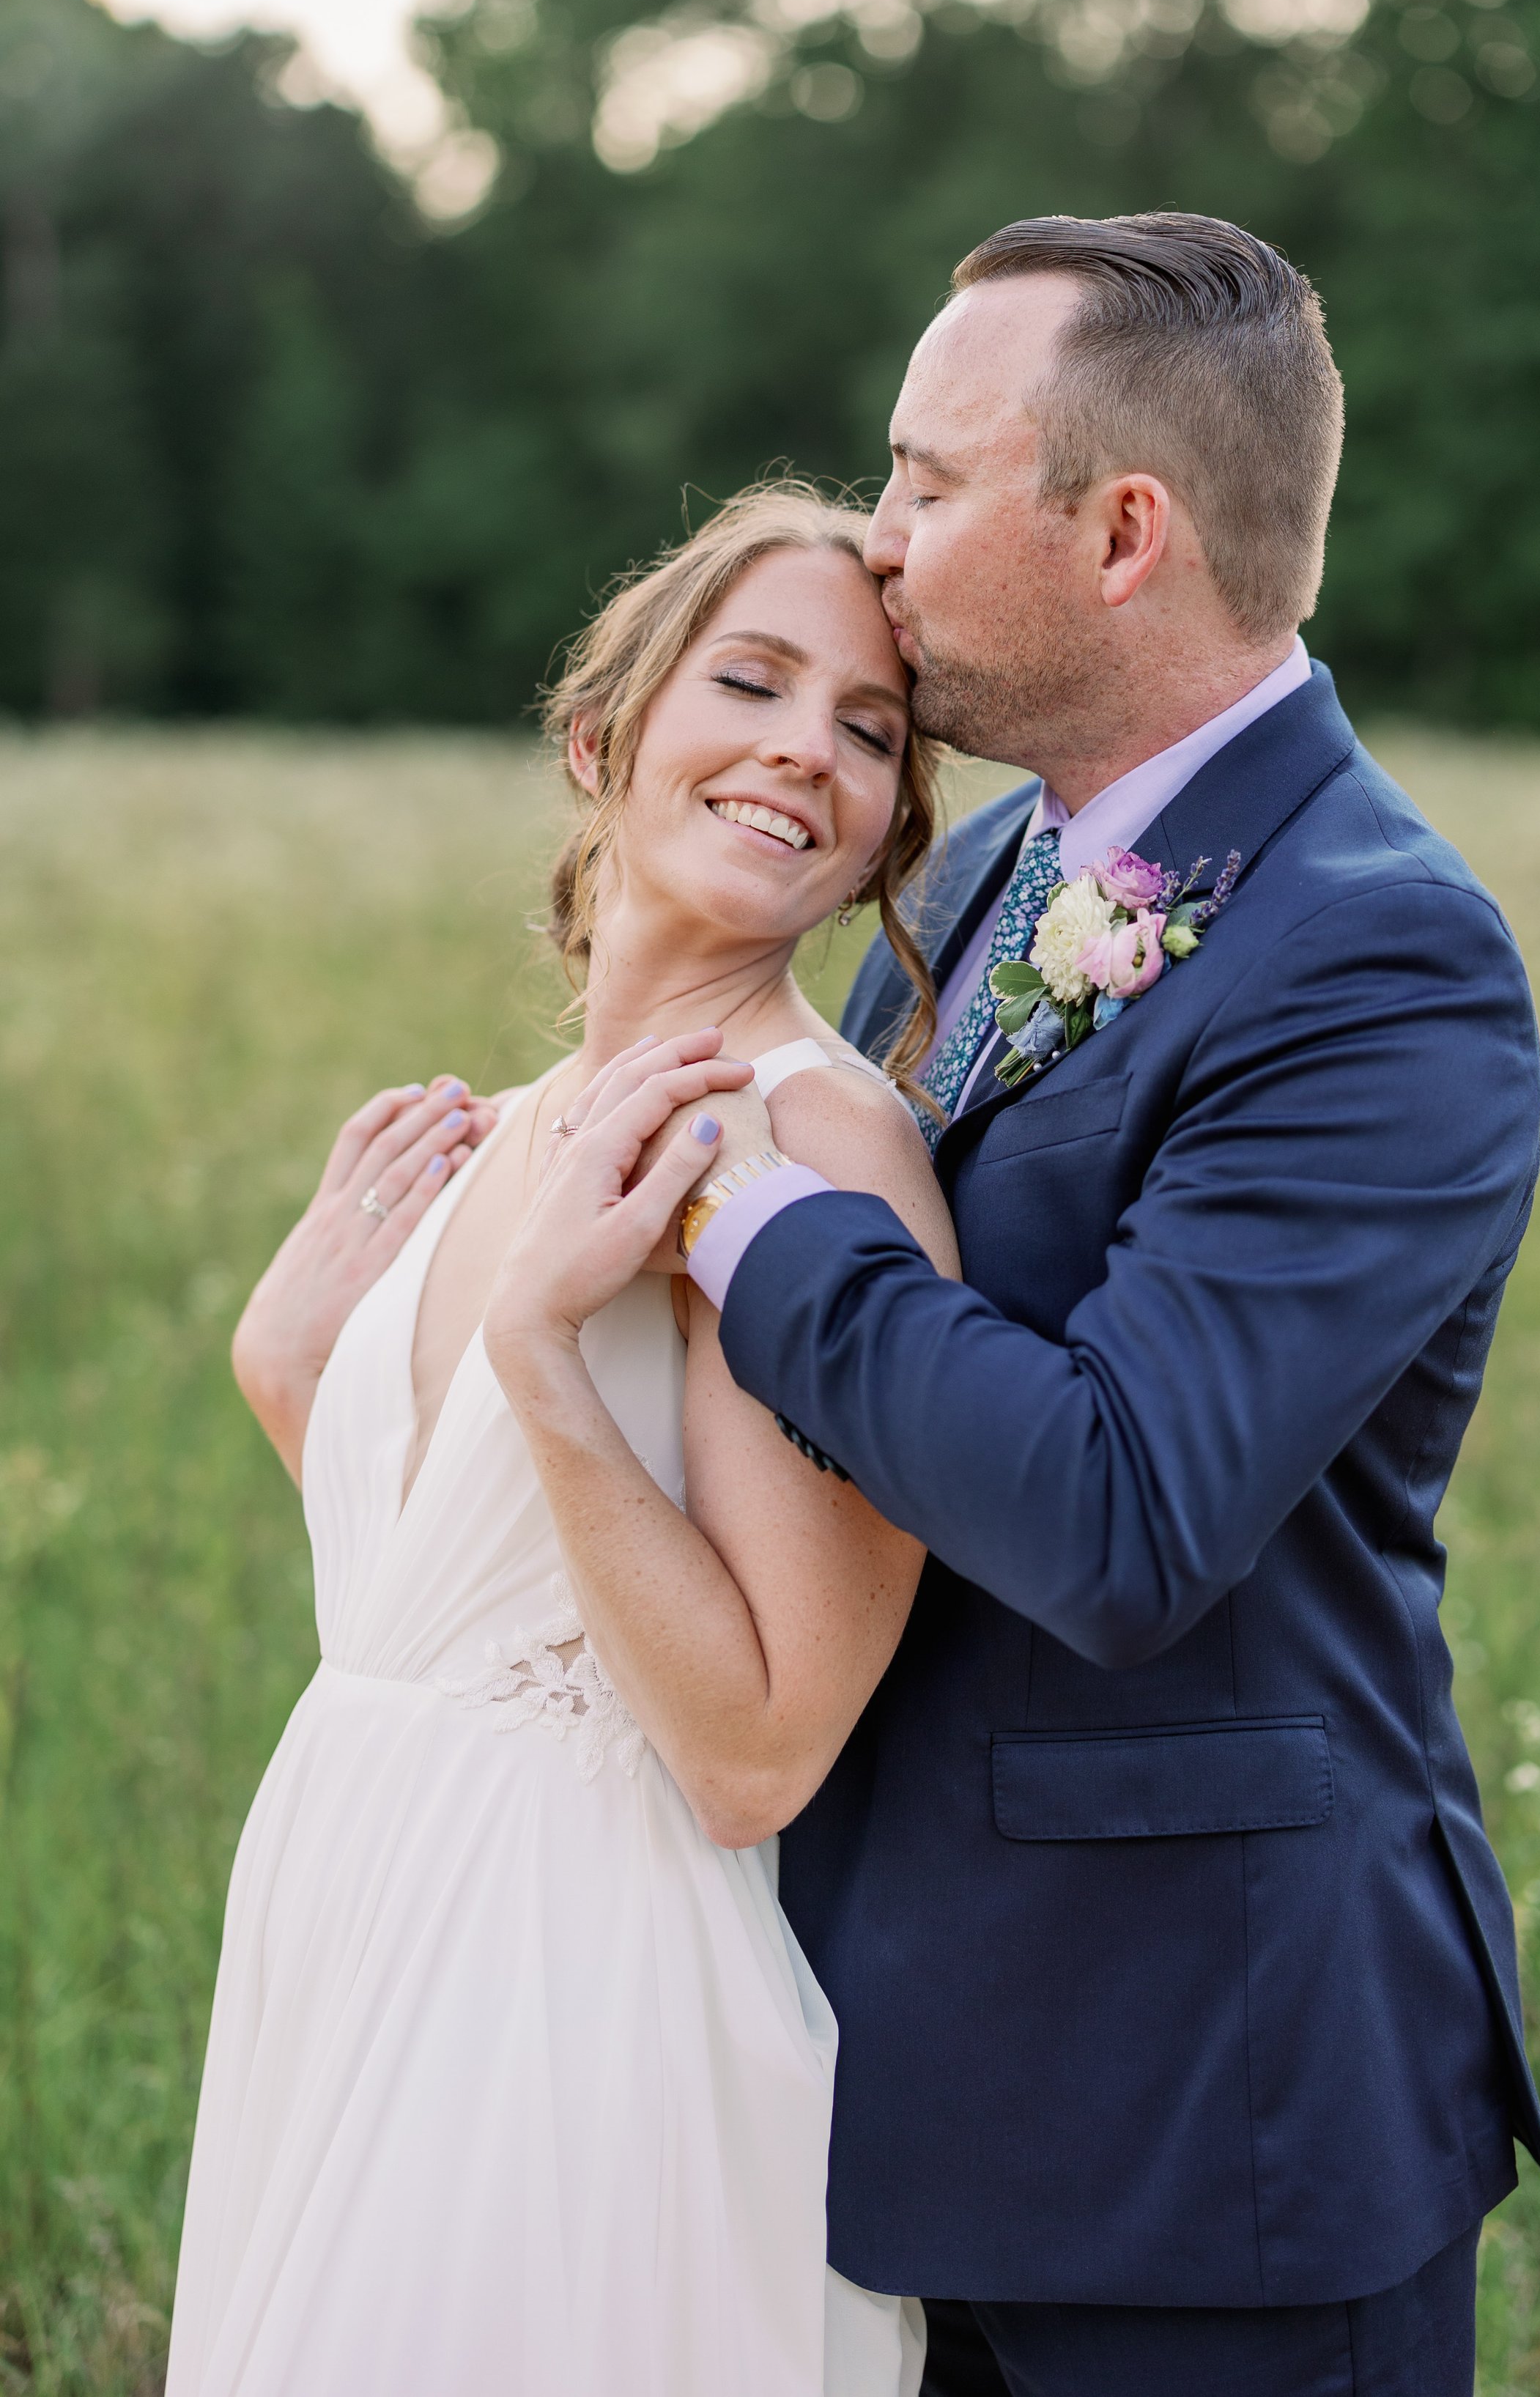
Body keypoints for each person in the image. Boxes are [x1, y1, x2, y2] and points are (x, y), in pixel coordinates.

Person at [677, 215, 1540, 2397]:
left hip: (1209, 2122)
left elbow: (1118, 1512)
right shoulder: (985, 866)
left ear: (1123, 532)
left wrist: (740, 1227)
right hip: (891, 2056)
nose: (875, 545)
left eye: (925, 481)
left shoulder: (1382, 958)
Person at [166, 485, 951, 2397]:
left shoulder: (803, 1143)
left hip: (577, 2003)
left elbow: (759, 1744)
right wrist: (295, 1375)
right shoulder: (514, 1126)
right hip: (351, 1926)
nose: (805, 748)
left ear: (878, 841)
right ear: (601, 738)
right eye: (752, 680)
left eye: (866, 729)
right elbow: (480, 1607)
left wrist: (531, 1347)